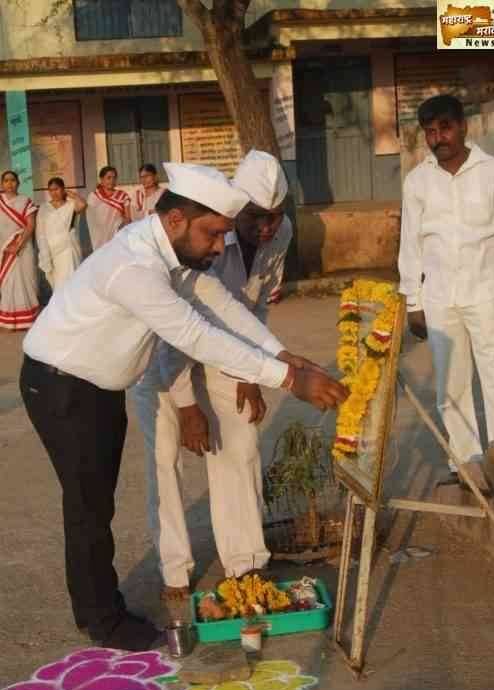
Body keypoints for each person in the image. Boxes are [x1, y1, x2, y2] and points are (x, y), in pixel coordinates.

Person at [20, 162, 348, 652]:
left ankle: (93, 605)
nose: (220, 246)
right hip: (62, 387)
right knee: (88, 507)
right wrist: (289, 379)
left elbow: (223, 305)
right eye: (213, 233)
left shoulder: (171, 256)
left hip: (94, 387)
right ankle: (103, 619)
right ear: (176, 221)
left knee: (93, 503)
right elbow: (195, 333)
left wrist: (281, 353)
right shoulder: (136, 267)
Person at [133, 150, 293, 619]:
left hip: (227, 347)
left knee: (241, 443)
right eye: (255, 218)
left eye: (274, 218)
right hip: (162, 354)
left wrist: (251, 372)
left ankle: (245, 562)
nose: (265, 228)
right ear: (233, 211)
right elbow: (170, 334)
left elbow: (256, 305)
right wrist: (185, 406)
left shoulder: (279, 233)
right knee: (166, 457)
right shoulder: (199, 236)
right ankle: (175, 569)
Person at [398, 94, 494, 486]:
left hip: (487, 291)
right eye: (430, 132)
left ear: (463, 127)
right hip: (439, 298)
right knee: (450, 382)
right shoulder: (417, 181)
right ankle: (467, 464)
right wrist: (414, 302)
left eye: (445, 128)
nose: (438, 138)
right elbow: (411, 244)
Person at [0, 170, 39, 331]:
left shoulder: (25, 201)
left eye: (13, 180)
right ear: (2, 184)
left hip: (23, 247)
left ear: (18, 183)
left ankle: (27, 320)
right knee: (8, 284)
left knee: (26, 281)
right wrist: (8, 246)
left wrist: (19, 244)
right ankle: (9, 321)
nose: (10, 183)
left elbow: (31, 225)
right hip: (4, 248)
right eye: (6, 181)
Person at [36, 177, 86, 291]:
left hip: (68, 248)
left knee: (72, 279)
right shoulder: (44, 208)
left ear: (63, 189)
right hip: (52, 249)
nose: (54, 192)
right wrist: (44, 251)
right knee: (58, 282)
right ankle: (61, 305)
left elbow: (82, 205)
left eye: (57, 189)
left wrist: (71, 194)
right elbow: (40, 232)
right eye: (51, 190)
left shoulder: (70, 205)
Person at [86, 165, 131, 250]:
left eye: (114, 178)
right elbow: (90, 218)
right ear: (102, 180)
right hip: (98, 237)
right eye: (108, 178)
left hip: (117, 236)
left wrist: (120, 228)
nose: (112, 181)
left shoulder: (122, 196)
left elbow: (128, 219)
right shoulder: (94, 196)